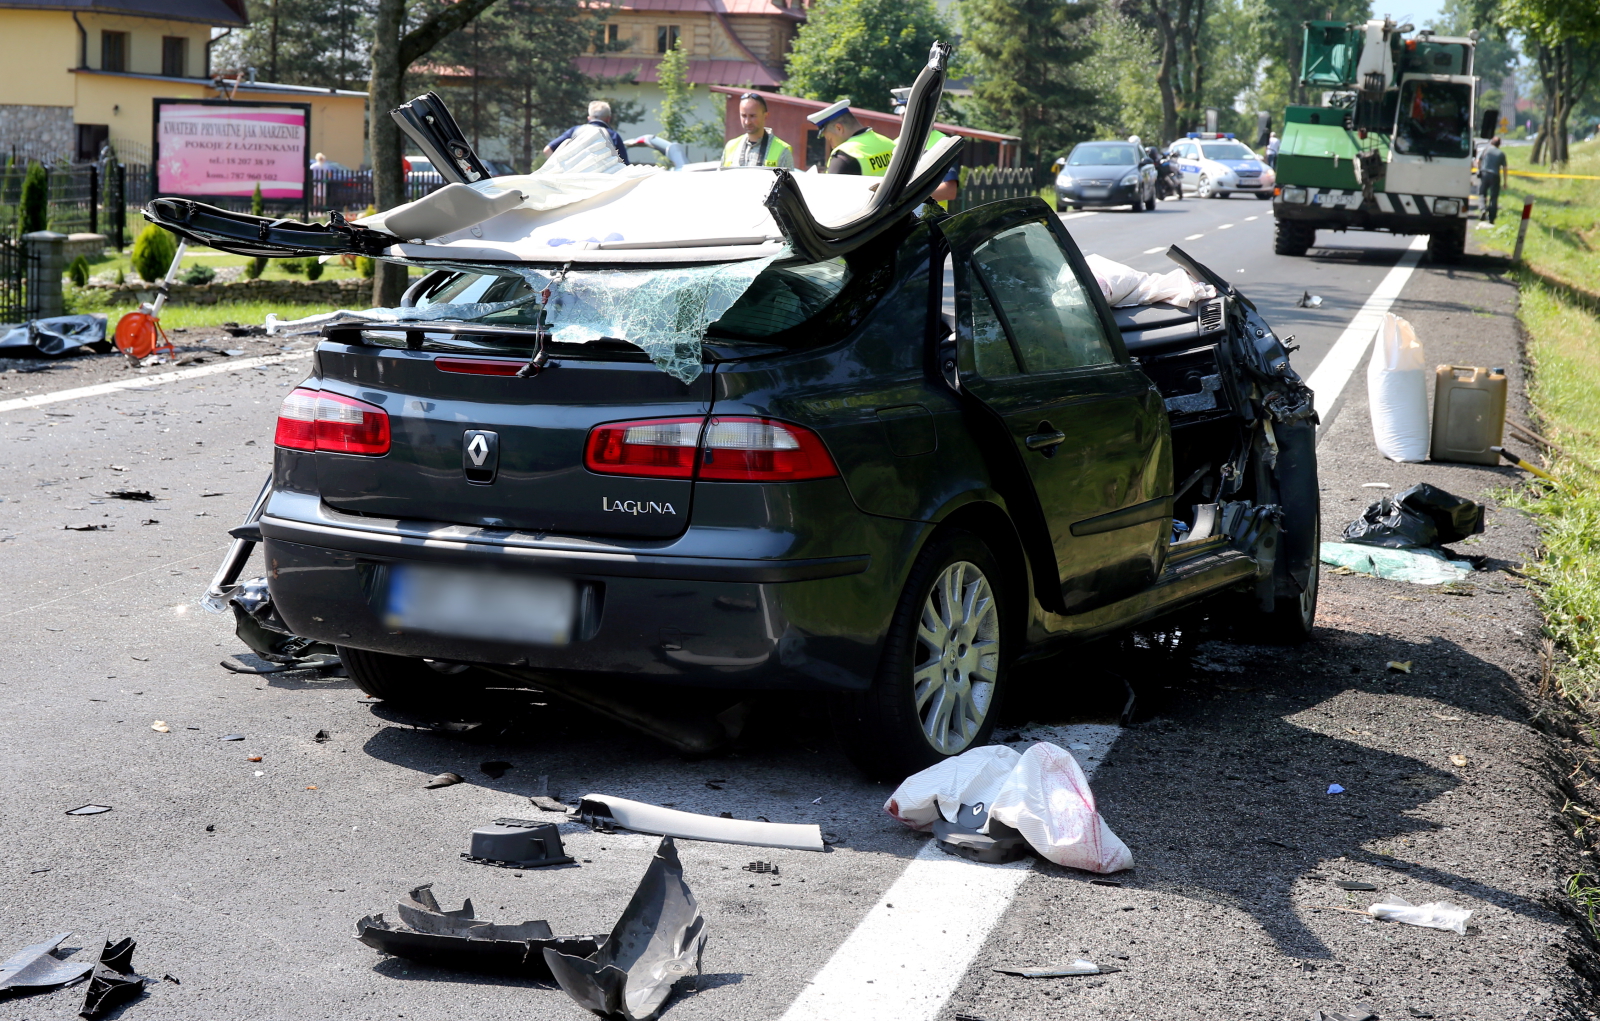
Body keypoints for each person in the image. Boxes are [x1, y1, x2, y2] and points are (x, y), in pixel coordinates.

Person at [809, 100, 894, 177]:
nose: (832, 146)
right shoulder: (890, 143)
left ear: (839, 128)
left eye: (830, 139)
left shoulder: (844, 155)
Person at [722, 92, 794, 168]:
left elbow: (787, 180)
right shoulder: (730, 147)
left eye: (752, 116)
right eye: (743, 116)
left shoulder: (782, 150)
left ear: (765, 116)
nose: (747, 122)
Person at [543, 101, 629, 165]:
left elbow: (548, 150)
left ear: (589, 118)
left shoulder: (575, 131)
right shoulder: (613, 135)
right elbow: (624, 165)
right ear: (608, 119)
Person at [1478, 135, 1507, 223]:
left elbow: (1478, 161)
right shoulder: (1501, 154)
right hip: (1495, 175)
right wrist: (1505, 182)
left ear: (1491, 142)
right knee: (1494, 197)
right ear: (1499, 144)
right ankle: (1492, 218)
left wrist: (1479, 170)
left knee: (1482, 193)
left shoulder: (1485, 150)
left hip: (1485, 173)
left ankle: (1483, 209)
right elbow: (1505, 168)